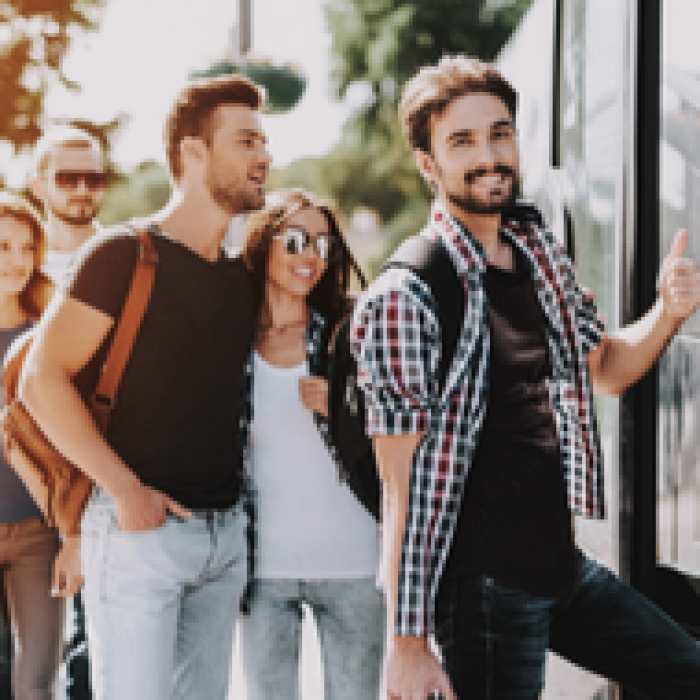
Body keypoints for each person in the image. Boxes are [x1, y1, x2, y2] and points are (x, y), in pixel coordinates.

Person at [350, 55, 700, 699]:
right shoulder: (408, 294)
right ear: (428, 163)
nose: (489, 155)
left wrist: (668, 312)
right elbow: (399, 489)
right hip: (481, 590)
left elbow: (608, 370)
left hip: (560, 569)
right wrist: (406, 644)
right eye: (462, 141)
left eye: (500, 133)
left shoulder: (538, 254)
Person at [18, 74, 271, 700]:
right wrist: (124, 490)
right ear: (193, 152)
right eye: (246, 142)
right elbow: (39, 379)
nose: (264, 157)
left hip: (223, 542)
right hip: (138, 541)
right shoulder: (122, 256)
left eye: (263, 142)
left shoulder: (242, 278)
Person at [237, 188, 384, 700]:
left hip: (356, 563)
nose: (310, 256)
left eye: (323, 244)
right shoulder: (231, 341)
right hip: (263, 571)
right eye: (296, 240)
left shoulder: (352, 330)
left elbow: (408, 427)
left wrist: (350, 413)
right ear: (263, 245)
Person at [31, 123, 108, 700]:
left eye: (93, 177)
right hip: (23, 480)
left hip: (97, 476)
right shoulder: (17, 267)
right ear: (40, 182)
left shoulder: (129, 258)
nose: (82, 189)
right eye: (67, 177)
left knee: (92, 647)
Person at [0, 193, 60, 700]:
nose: (17, 261)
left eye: (26, 248)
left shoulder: (50, 334)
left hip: (40, 532)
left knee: (36, 682)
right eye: (3, 247)